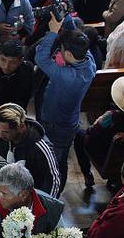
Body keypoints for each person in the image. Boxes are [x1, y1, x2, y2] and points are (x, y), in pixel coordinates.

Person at [35, 17, 97, 191]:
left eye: (61, 50)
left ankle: (51, 192)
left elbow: (41, 58)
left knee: (54, 162)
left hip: (56, 125)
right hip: (69, 122)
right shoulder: (89, 64)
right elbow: (78, 39)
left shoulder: (67, 76)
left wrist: (53, 31)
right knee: (60, 159)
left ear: (68, 54)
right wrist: (65, 17)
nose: (60, 52)